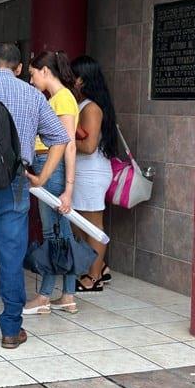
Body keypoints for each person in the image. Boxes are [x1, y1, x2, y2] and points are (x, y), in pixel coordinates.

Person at [0, 43, 70, 350]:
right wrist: (42, 178)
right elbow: (60, 137)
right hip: (16, 184)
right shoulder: (32, 95)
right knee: (10, 258)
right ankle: (10, 330)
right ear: (19, 68)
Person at [24, 51, 80, 315]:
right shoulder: (58, 99)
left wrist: (68, 189)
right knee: (61, 234)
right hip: (48, 166)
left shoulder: (63, 99)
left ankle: (45, 295)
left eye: (33, 74)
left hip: (51, 168)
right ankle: (67, 295)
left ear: (45, 71)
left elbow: (68, 146)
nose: (32, 80)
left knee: (54, 234)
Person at [71, 55, 117, 291]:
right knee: (80, 224)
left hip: (91, 173)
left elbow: (88, 147)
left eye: (73, 75)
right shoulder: (86, 104)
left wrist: (64, 141)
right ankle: (101, 267)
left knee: (92, 226)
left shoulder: (91, 108)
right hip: (84, 173)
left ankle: (94, 277)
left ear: (82, 79)